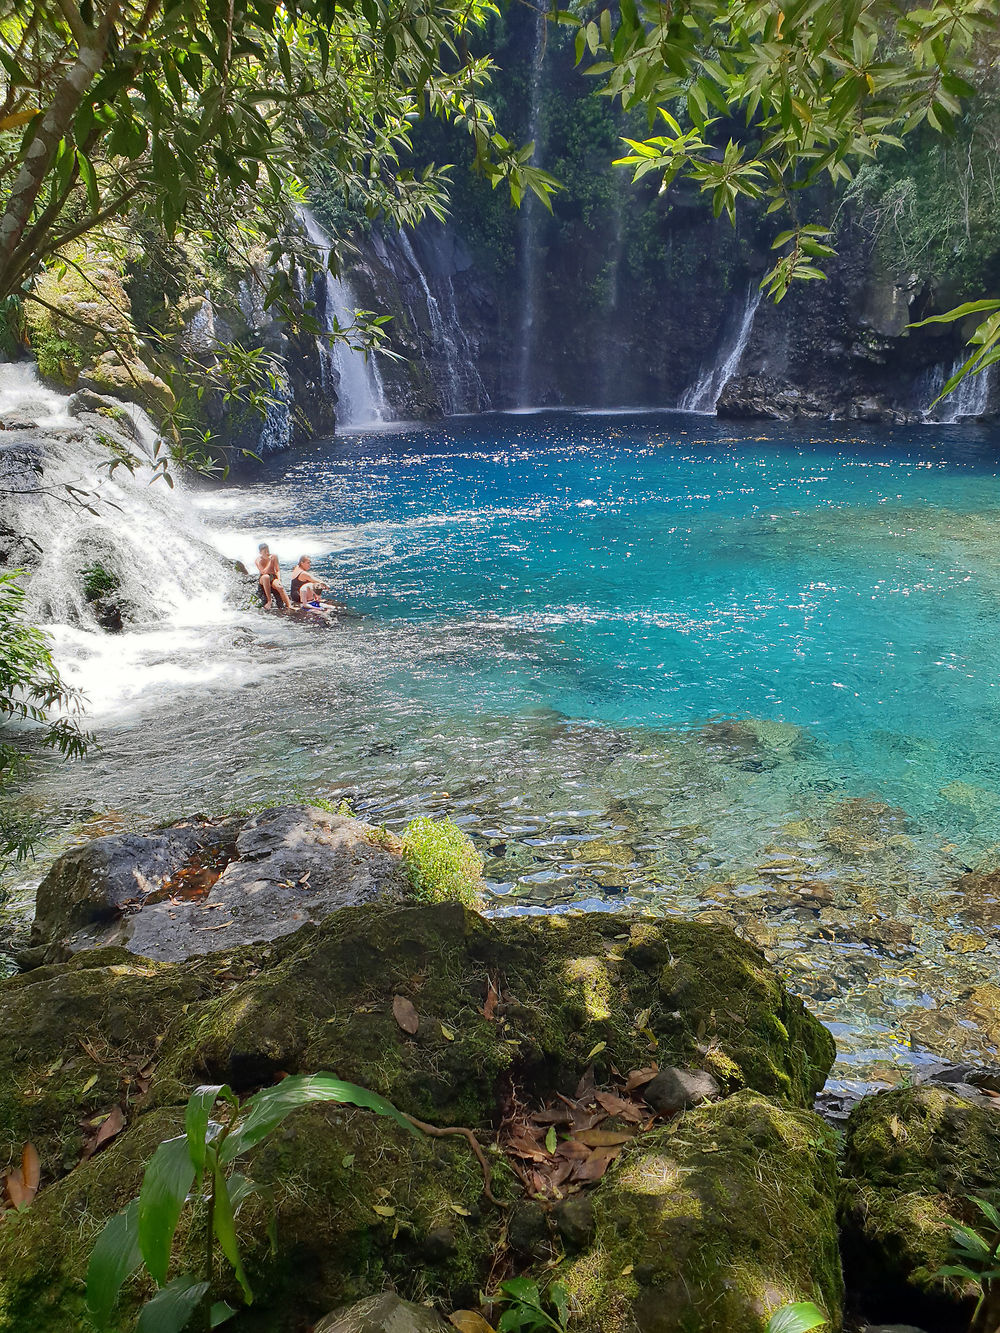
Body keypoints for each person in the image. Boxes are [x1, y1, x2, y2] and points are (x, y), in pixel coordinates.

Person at [255, 543, 292, 609]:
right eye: (265, 552)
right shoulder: (258, 560)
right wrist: (269, 561)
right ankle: (269, 601)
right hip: (263, 578)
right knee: (266, 577)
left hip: (273, 576)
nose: (267, 553)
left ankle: (289, 605)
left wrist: (279, 579)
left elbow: (277, 570)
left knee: (280, 587)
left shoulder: (274, 556)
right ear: (260, 552)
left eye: (268, 551)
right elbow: (263, 572)